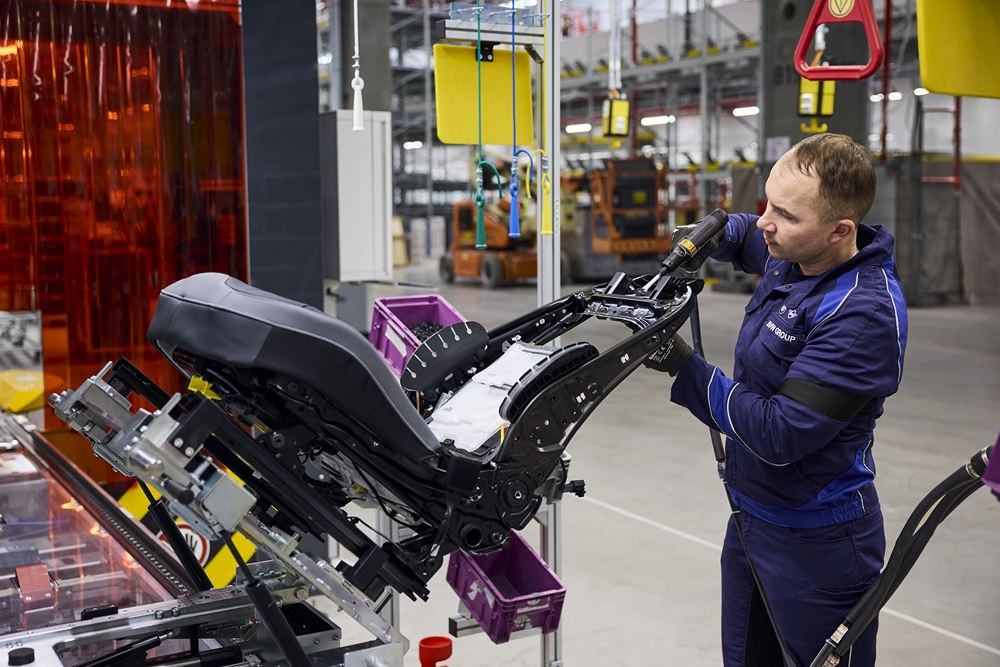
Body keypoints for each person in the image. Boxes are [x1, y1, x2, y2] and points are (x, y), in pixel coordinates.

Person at [646, 133, 908, 666]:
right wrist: (710, 233)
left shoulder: (861, 315)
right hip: (750, 517)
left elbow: (779, 433)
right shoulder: (794, 252)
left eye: (785, 215)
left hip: (819, 540)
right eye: (768, 202)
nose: (767, 221)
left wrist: (684, 367)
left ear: (840, 231)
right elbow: (746, 231)